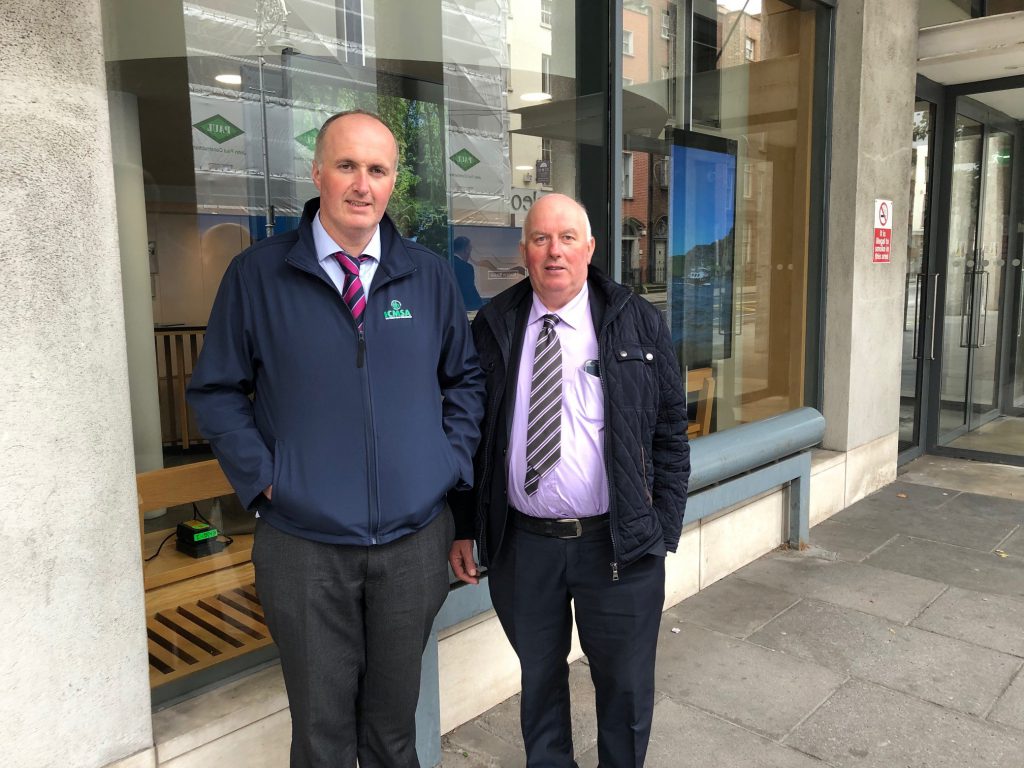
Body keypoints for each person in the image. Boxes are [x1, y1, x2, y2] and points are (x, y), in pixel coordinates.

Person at [187, 110, 485, 768]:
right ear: (317, 172)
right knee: (320, 737)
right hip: (304, 549)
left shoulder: (428, 276)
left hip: (412, 546)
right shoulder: (257, 276)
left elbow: (465, 381)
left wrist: (446, 461)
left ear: (392, 182)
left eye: (377, 170)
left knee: (392, 732)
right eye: (346, 166)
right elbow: (214, 391)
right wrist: (268, 479)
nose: (361, 184)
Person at [448, 193, 690, 768]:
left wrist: (660, 529)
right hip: (523, 546)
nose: (553, 251)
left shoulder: (637, 319)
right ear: (525, 251)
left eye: (566, 238)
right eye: (540, 239)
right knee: (539, 684)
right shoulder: (496, 324)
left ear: (589, 248)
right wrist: (464, 525)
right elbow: (470, 433)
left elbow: (670, 431)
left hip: (618, 546)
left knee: (626, 689)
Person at [452, 235, 483, 310]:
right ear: (466, 250)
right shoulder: (466, 268)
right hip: (465, 307)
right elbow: (469, 290)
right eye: (470, 249)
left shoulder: (447, 263)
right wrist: (480, 306)